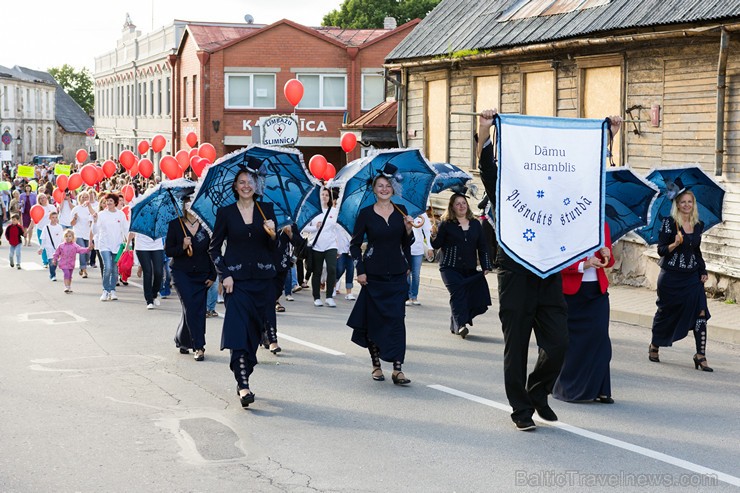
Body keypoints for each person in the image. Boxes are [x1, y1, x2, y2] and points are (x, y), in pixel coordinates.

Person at [477, 109, 623, 431]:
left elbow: (585, 175)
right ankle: (521, 410)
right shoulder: (505, 191)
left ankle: (538, 391)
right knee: (516, 347)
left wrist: (608, 136)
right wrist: (485, 132)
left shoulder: (557, 192)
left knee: (558, 343)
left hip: (549, 272)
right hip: (515, 272)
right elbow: (487, 168)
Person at [209, 163, 277, 407]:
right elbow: (214, 248)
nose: (246, 185)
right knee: (237, 330)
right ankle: (243, 384)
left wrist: (273, 235)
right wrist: (224, 274)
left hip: (263, 282)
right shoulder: (225, 213)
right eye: (242, 182)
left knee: (252, 333)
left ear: (256, 186)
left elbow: (274, 251)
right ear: (235, 187)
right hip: (235, 283)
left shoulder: (266, 210)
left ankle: (244, 372)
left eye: (250, 182)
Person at [347, 165, 415, 385]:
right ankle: (376, 365)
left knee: (397, 321)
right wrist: (360, 270)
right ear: (374, 189)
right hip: (373, 275)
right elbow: (355, 245)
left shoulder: (402, 211)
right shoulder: (366, 214)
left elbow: (407, 244)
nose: (384, 189)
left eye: (388, 185)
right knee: (374, 321)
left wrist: (408, 230)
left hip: (397, 274)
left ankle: (398, 369)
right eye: (380, 186)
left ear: (393, 189)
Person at [649, 190, 712, 372]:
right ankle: (655, 344)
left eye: (689, 202)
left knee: (701, 311)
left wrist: (703, 270)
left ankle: (700, 355)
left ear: (693, 204)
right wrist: (675, 244)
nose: (686, 205)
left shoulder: (698, 224)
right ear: (677, 204)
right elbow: (661, 250)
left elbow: (696, 251)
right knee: (666, 312)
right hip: (671, 277)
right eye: (682, 202)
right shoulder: (669, 223)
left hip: (692, 277)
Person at [553, 222, 616, 403]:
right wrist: (584, 264)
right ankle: (567, 388)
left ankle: (602, 388)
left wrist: (608, 255)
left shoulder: (603, 224)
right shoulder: (565, 224)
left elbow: (608, 262)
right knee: (572, 344)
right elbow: (557, 261)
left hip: (597, 292)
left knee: (600, 338)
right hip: (571, 294)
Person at [431, 193, 493, 338]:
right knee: (458, 292)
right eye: (457, 204)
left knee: (475, 296)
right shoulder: (446, 224)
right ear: (452, 207)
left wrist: (486, 265)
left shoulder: (475, 224)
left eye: (463, 203)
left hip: (469, 268)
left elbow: (483, 246)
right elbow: (436, 244)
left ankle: (455, 322)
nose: (461, 206)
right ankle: (461, 325)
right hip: (449, 267)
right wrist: (434, 234)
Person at [166, 195, 216, 362]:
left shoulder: (206, 225)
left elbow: (212, 252)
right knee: (191, 306)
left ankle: (183, 339)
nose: (190, 205)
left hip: (202, 273)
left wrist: (213, 274)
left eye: (193, 201)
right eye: (187, 202)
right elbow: (169, 251)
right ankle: (199, 346)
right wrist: (182, 246)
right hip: (181, 273)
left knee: (196, 309)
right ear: (184, 205)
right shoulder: (175, 225)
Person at [302, 188, 339, 307]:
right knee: (317, 271)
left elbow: (337, 229)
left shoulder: (334, 211)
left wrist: (339, 247)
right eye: (322, 194)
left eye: (327, 195)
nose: (324, 196)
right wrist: (315, 228)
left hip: (331, 244)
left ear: (329, 197)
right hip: (317, 245)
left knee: (332, 269)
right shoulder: (312, 211)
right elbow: (303, 227)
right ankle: (316, 297)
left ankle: (329, 297)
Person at [93, 193, 128, 301]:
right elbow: (95, 231)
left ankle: (112, 290)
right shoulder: (101, 214)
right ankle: (105, 290)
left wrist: (128, 244)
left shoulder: (120, 214)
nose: (108, 203)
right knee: (107, 267)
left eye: (110, 201)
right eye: (107, 201)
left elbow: (125, 229)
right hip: (104, 244)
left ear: (115, 202)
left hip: (117, 245)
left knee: (114, 268)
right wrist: (94, 221)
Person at [130, 231, 165, 309]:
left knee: (159, 272)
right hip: (142, 246)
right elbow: (132, 230)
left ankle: (154, 294)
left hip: (157, 245)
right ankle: (149, 300)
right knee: (148, 272)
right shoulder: (139, 218)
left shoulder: (159, 218)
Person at [406, 212, 434, 306]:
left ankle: (414, 296)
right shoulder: (402, 212)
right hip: (406, 249)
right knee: (406, 273)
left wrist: (430, 247)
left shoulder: (422, 215)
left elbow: (427, 231)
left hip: (418, 249)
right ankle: (407, 296)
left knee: (416, 275)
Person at [52, 229, 90, 293]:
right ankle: (66, 287)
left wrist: (88, 249)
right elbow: (56, 253)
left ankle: (69, 287)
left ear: (73, 237)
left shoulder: (74, 246)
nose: (68, 238)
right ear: (64, 237)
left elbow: (81, 250)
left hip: (71, 264)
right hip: (63, 263)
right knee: (66, 274)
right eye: (66, 236)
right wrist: (54, 259)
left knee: (69, 275)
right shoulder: (61, 246)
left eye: (70, 236)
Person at [70, 191, 96, 278]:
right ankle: (84, 270)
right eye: (82, 197)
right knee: (82, 251)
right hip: (78, 233)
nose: (84, 199)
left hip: (88, 233)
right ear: (79, 198)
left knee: (88, 252)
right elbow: (72, 223)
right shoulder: (76, 209)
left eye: (86, 197)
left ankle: (83, 266)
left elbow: (95, 218)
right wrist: (75, 218)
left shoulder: (91, 208)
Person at [38, 211, 64, 282]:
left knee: (55, 262)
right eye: (53, 217)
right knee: (51, 261)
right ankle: (53, 275)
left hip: (58, 248)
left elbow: (62, 238)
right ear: (49, 218)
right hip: (49, 247)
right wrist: (41, 248)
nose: (54, 219)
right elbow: (43, 238)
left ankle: (52, 273)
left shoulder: (59, 227)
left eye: (56, 217)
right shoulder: (46, 227)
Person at [334, 229, 356, 300]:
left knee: (351, 269)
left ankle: (349, 292)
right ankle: (332, 286)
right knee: (340, 269)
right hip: (341, 250)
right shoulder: (338, 222)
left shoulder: (353, 224)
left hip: (351, 250)